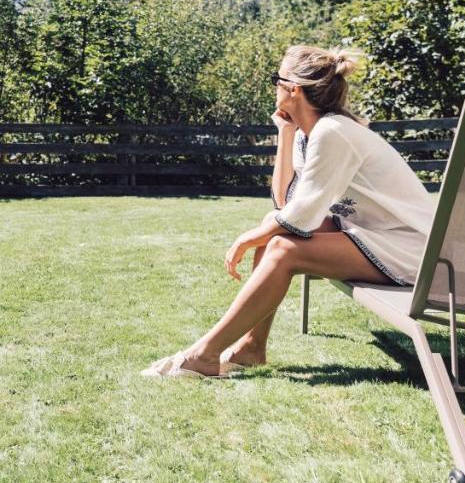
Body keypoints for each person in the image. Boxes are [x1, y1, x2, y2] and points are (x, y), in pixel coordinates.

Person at [143, 45, 436, 378]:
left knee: (281, 247)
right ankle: (252, 348)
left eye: (276, 80)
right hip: (378, 236)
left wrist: (247, 239)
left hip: (414, 251)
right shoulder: (308, 134)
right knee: (274, 234)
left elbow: (302, 214)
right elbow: (285, 206)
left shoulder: (333, 132)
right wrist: (285, 134)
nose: (274, 88)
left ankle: (204, 354)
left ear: (293, 89)